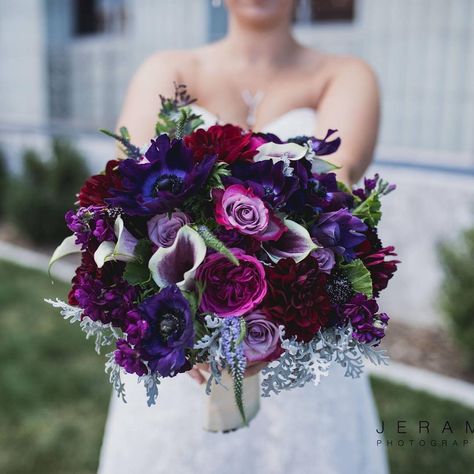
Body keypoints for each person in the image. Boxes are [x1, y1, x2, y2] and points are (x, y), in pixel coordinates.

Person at [98, 1, 387, 473]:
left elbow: (339, 184)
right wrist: (186, 327)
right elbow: (125, 195)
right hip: (178, 338)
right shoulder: (168, 70)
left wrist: (269, 320)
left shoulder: (344, 75)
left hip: (300, 341)